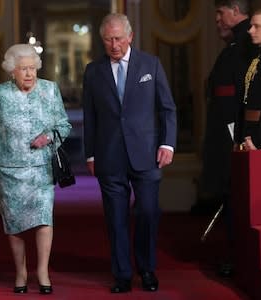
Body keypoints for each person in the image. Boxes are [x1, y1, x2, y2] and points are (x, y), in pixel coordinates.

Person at [82, 13, 177, 293]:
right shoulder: (93, 71)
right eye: (108, 40)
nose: (114, 45)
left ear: (130, 37)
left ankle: (146, 269)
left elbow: (167, 108)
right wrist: (90, 155)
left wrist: (167, 144)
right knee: (116, 217)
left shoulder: (151, 64)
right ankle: (122, 274)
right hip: (109, 154)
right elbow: (90, 116)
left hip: (147, 153)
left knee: (148, 211)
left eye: (118, 38)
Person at [0, 44, 71, 295]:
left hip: (42, 169)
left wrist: (48, 138)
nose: (29, 74)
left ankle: (42, 271)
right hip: (11, 170)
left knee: (44, 218)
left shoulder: (50, 90)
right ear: (12, 71)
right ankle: (20, 272)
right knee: (15, 224)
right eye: (23, 69)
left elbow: (64, 126)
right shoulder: (0, 94)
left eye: (32, 68)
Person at [200, 0, 255, 277]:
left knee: (237, 196)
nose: (217, 20)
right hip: (229, 134)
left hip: (236, 136)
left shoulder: (246, 43)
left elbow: (248, 95)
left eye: (221, 13)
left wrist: (243, 133)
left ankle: (239, 258)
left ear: (235, 11)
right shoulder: (237, 43)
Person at [235, 8, 261, 151]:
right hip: (251, 132)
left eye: (257, 26)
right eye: (251, 26)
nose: (250, 31)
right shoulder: (258, 57)